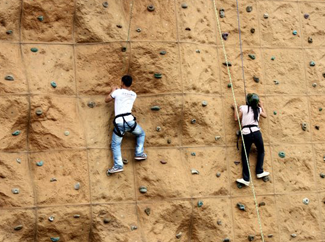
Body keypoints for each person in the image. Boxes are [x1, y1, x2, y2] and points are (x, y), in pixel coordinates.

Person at [105, 75, 147, 174]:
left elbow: (106, 100)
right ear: (131, 84)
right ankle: (139, 153)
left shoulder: (117, 92)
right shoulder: (133, 94)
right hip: (130, 121)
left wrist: (112, 91)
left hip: (120, 122)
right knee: (141, 134)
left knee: (115, 144)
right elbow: (126, 95)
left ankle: (118, 165)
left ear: (122, 82)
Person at [232, 93, 269, 186]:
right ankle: (259, 171)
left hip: (246, 133)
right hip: (256, 132)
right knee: (261, 151)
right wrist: (262, 106)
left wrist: (235, 108)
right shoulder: (258, 109)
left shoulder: (243, 108)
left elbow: (236, 118)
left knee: (245, 155)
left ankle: (246, 178)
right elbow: (265, 115)